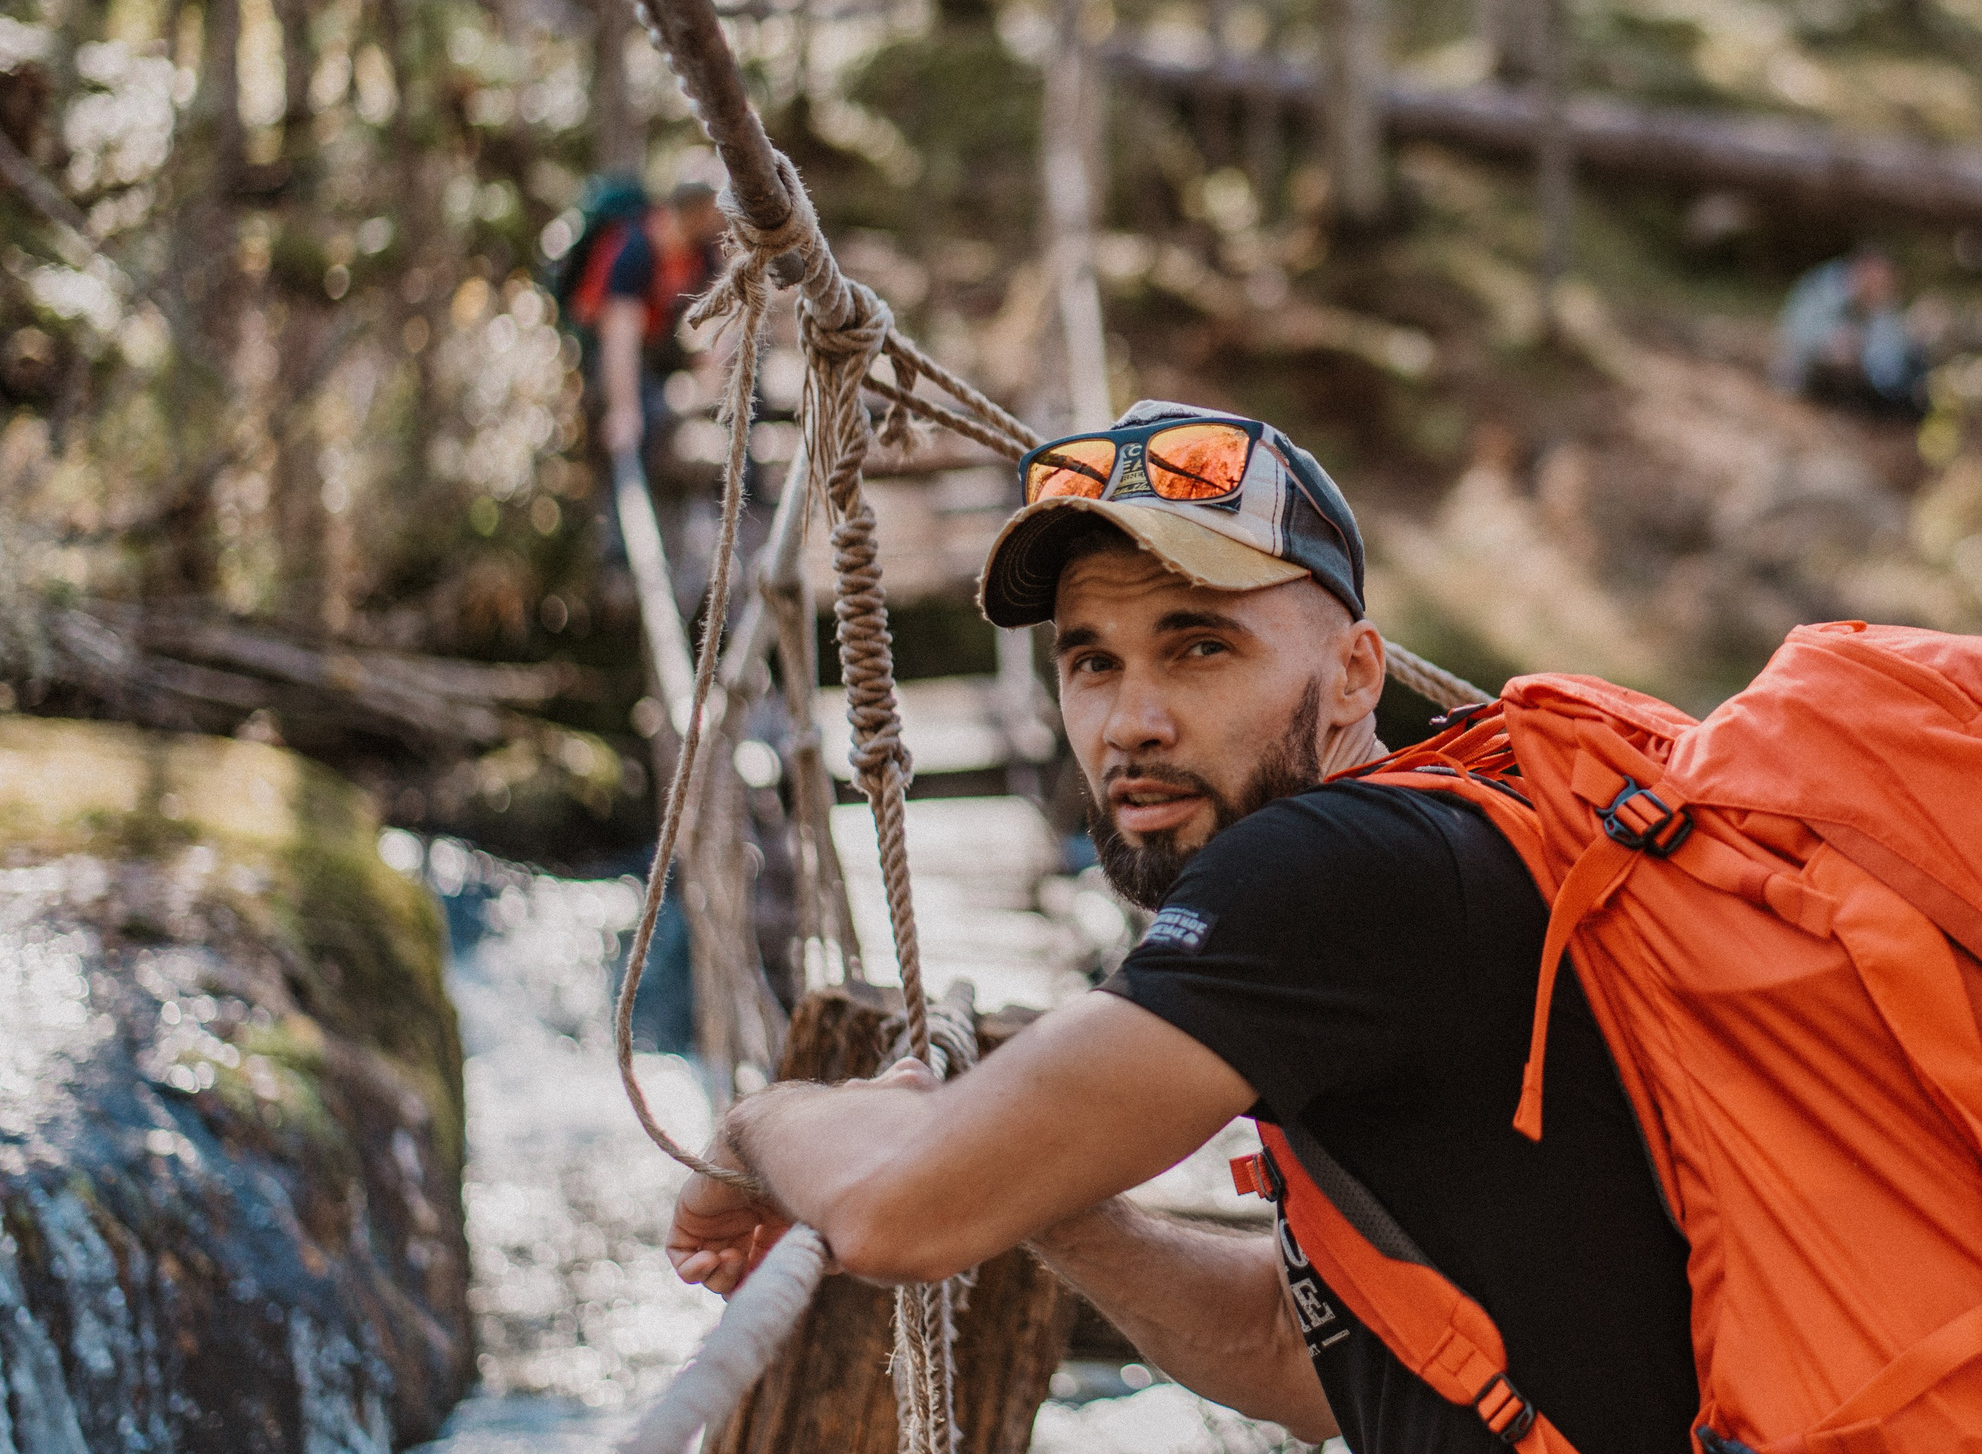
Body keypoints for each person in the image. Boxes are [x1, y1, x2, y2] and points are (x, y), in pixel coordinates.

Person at [664, 402, 1698, 1451]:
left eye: (1198, 645)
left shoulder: (1326, 868)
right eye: (1092, 661)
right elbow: (1286, 1350)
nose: (1130, 722)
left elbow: (897, 1212)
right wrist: (1041, 1190)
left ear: (1354, 673)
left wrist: (762, 1122)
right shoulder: (1444, 842)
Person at [556, 176, 725, 458]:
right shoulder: (634, 250)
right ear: (695, 215)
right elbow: (620, 338)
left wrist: (712, 355)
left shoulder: (699, 252)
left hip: (655, 340)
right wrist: (624, 410)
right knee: (642, 418)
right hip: (603, 344)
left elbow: (712, 307)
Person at [1770, 246, 1926, 415]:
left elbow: (1888, 361)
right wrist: (1830, 346)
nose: (1882, 288)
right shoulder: (1823, 291)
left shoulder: (1881, 305)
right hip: (1808, 377)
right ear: (1861, 272)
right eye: (1876, 281)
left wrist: (1913, 338)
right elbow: (1796, 335)